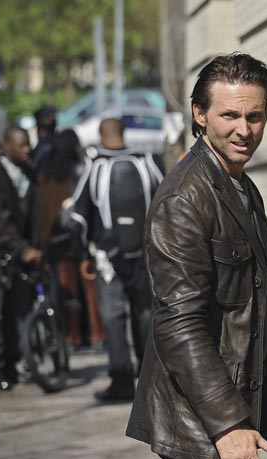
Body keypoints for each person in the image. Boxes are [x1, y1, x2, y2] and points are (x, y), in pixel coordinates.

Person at [126, 52, 267, 459]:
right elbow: (178, 324)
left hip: (231, 412)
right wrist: (228, 424)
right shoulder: (185, 197)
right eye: (230, 115)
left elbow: (253, 309)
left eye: (255, 116)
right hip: (202, 422)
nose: (244, 129)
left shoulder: (241, 188)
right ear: (200, 114)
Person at [67, 118, 163, 402]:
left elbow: (78, 216)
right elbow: (168, 203)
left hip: (107, 258)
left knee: (112, 317)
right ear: (124, 133)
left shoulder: (93, 165)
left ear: (100, 134)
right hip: (146, 254)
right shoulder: (148, 162)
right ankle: (150, 382)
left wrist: (84, 252)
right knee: (144, 313)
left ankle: (121, 382)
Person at [0, 128, 41, 391]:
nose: (27, 150)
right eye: (21, 145)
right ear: (6, 145)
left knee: (16, 313)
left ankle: (11, 364)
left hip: (15, 256)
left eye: (28, 145)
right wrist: (23, 247)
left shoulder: (28, 172)